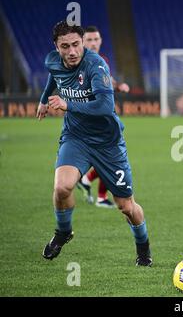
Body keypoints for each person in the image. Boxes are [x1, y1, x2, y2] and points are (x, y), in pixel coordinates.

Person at [36, 21, 152, 266]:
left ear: (83, 43)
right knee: (62, 187)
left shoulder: (96, 65)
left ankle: (143, 249)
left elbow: (104, 107)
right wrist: (44, 100)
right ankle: (63, 232)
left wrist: (68, 105)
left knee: (126, 206)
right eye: (65, 46)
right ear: (56, 47)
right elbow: (54, 76)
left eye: (76, 45)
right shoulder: (52, 61)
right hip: (75, 137)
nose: (72, 51)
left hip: (107, 143)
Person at [77, 25, 130, 208]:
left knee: (109, 155)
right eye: (89, 40)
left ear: (100, 41)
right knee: (111, 155)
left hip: (104, 118)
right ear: (82, 42)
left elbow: (107, 79)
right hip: (91, 118)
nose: (93, 43)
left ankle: (89, 180)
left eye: (96, 39)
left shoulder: (102, 60)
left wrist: (117, 86)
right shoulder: (78, 62)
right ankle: (99, 195)